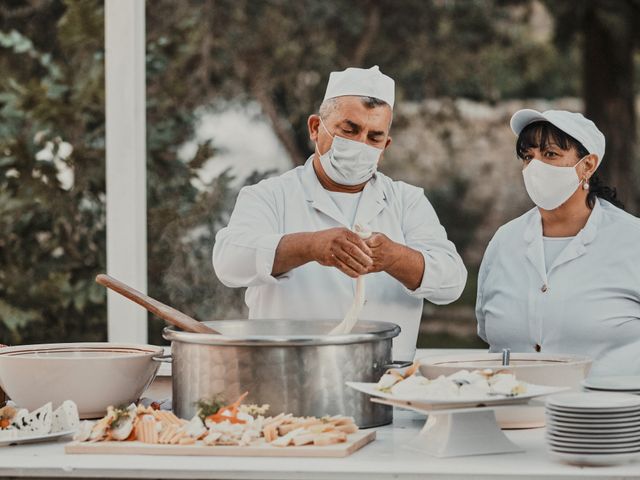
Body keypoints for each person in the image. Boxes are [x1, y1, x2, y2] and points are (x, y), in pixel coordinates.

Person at [213, 66, 467, 361]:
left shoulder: (407, 201)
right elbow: (229, 261)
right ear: (315, 127)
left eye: (374, 137)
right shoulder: (270, 196)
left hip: (385, 385)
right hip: (289, 380)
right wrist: (311, 246)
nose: (360, 144)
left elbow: (452, 281)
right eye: (349, 130)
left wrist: (395, 257)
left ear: (385, 146)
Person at [476, 109, 640, 376]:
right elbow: (488, 331)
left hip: (609, 413)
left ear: (587, 165)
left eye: (550, 154)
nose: (535, 167)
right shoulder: (504, 241)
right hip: (513, 413)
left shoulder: (632, 241)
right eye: (528, 156)